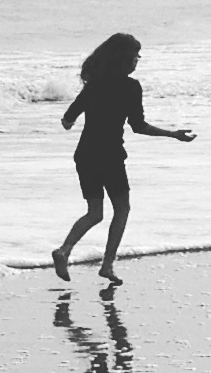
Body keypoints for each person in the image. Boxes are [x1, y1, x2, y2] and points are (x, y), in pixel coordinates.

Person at [52, 33, 194, 287]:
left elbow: (67, 121)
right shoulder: (130, 86)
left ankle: (64, 250)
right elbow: (138, 126)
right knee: (122, 209)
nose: (138, 60)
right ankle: (106, 266)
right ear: (125, 58)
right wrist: (173, 134)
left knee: (95, 213)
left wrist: (81, 118)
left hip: (85, 155)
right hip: (110, 156)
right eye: (136, 55)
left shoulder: (93, 84)